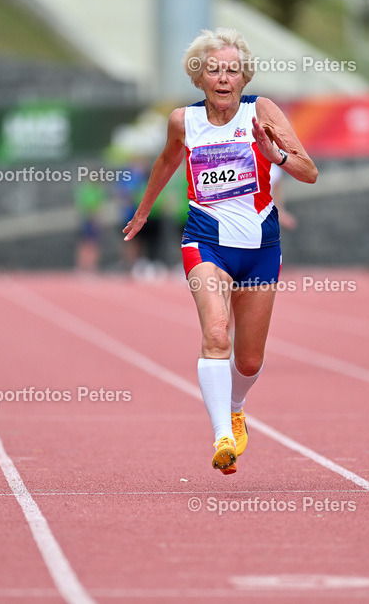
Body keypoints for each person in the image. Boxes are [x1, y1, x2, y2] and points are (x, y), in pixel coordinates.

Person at [123, 28, 318, 474]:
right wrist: (144, 210)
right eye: (214, 70)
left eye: (232, 70)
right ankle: (221, 437)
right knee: (215, 335)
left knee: (248, 360)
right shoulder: (182, 121)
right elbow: (166, 161)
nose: (224, 78)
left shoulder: (261, 111)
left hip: (261, 248)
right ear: (199, 78)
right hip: (205, 241)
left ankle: (235, 404)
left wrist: (277, 155)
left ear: (244, 77)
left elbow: (310, 172)